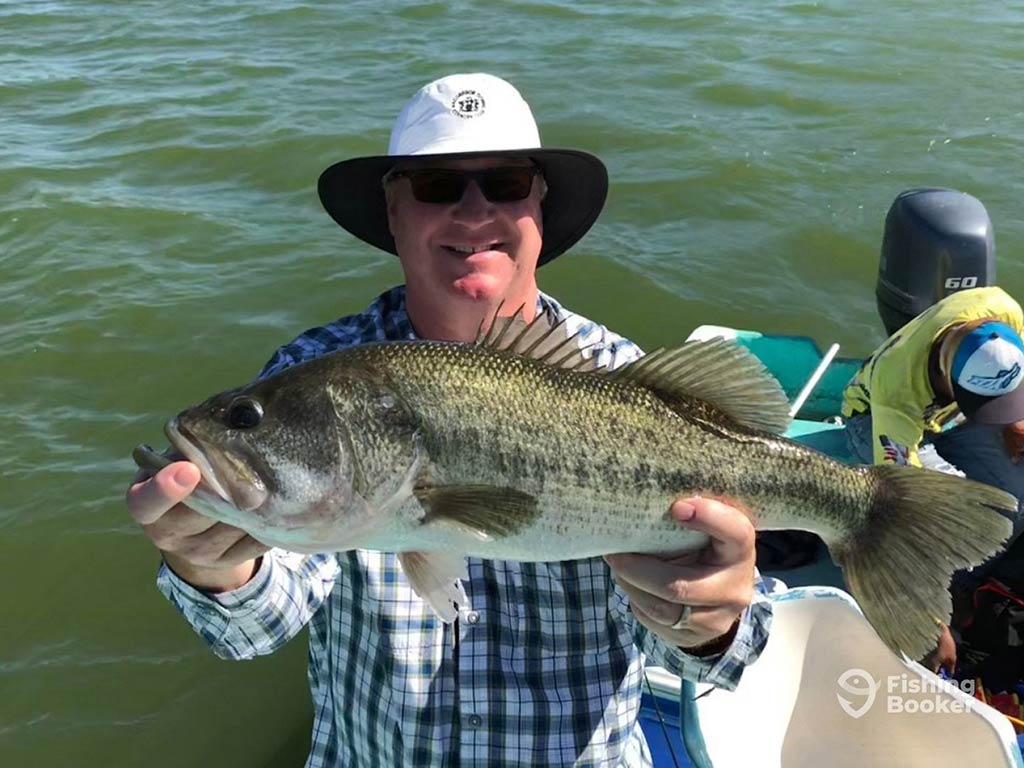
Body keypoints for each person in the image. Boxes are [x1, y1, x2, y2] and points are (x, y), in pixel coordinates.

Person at [127, 73, 773, 767]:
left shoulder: (619, 376)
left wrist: (707, 620)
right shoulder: (314, 369)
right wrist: (209, 566)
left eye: (505, 183)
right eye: (437, 187)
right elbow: (257, 629)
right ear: (393, 209)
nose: (473, 212)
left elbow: (724, 661)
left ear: (539, 207)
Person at [842, 284, 1024, 673]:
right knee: (950, 519)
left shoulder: (1004, 311)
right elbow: (907, 509)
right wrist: (927, 617)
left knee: (1016, 499)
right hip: (877, 422)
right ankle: (945, 589)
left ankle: (972, 578)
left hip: (953, 411)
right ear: (944, 371)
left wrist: (1013, 417)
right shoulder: (896, 386)